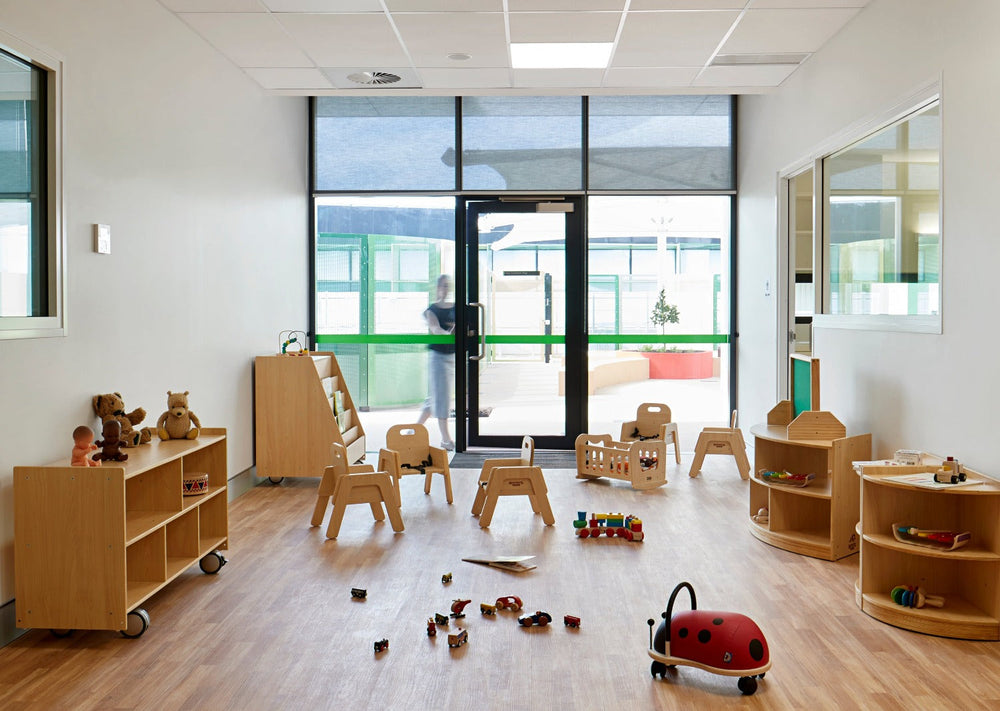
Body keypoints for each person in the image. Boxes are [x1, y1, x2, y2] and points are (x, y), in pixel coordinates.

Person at [417, 274, 456, 450]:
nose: (445, 289)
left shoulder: (456, 308)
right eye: (442, 285)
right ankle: (445, 438)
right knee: (442, 398)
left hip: (452, 357)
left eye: (447, 285)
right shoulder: (431, 310)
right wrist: (448, 334)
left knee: (435, 397)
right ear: (437, 287)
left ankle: (412, 432)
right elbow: (435, 328)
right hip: (438, 358)